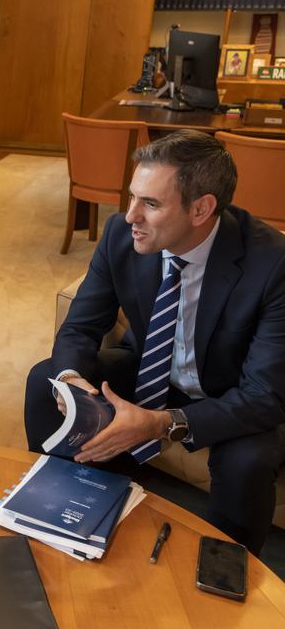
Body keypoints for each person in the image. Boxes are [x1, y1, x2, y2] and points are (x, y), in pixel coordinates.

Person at [24, 129, 285, 555]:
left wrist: (162, 423)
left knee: (248, 462)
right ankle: (62, 515)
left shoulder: (271, 264)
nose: (130, 216)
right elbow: (80, 328)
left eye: (150, 203)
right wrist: (71, 380)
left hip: (232, 394)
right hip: (153, 371)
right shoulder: (120, 235)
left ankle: (227, 568)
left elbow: (264, 396)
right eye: (132, 197)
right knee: (44, 380)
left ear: (201, 209)